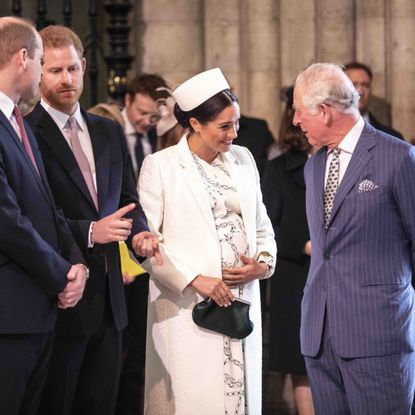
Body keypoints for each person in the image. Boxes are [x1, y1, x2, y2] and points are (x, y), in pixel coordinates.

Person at [25, 25, 160, 415]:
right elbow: (32, 216)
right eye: (54, 70)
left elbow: (129, 201)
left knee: (102, 403)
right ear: (37, 72)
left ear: (84, 66)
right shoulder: (26, 133)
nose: (66, 79)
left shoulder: (108, 131)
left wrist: (140, 236)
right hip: (61, 294)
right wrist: (89, 231)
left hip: (112, 298)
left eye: (72, 68)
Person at [138, 68, 276, 414]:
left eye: (237, 123)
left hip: (241, 301)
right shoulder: (161, 166)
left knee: (240, 398)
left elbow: (262, 225)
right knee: (194, 399)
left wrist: (262, 264)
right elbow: (145, 243)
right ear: (196, 124)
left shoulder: (243, 159)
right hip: (188, 308)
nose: (234, 133)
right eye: (225, 126)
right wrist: (195, 279)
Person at [293, 62, 415, 414]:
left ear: (326, 112)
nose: (295, 122)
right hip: (319, 335)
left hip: (378, 335)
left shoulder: (397, 157)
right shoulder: (314, 165)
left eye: (301, 112)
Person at [0, 17, 88, 415]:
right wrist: (60, 275)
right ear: (23, 58)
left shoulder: (20, 123)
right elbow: (7, 220)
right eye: (41, 62)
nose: (42, 73)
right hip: (8, 317)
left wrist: (76, 264)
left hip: (37, 314)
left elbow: (48, 207)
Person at [262, 85, 315, 415]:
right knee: (302, 364)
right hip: (296, 276)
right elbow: (266, 227)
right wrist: (304, 245)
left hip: (338, 275)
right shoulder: (280, 169)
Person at [344, 61, 404, 139]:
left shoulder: (392, 138)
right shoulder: (326, 135)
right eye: (354, 85)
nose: (360, 91)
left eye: (366, 85)